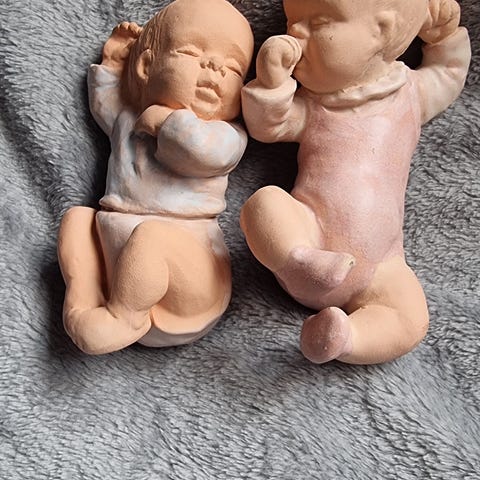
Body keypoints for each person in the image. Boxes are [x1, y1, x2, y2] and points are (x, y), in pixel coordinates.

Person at [240, 0, 471, 364]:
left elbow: (449, 72)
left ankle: (344, 337)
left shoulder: (412, 92)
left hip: (380, 267)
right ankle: (301, 263)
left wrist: (444, 38)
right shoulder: (315, 105)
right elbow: (267, 126)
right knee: (265, 204)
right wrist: (271, 83)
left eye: (319, 22)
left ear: (382, 30)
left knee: (411, 317)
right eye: (292, 21)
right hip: (309, 231)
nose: (295, 34)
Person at [57, 0, 254, 354]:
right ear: (147, 65)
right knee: (77, 219)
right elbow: (105, 104)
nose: (214, 67)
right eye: (192, 52)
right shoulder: (128, 119)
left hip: (189, 280)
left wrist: (166, 122)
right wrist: (113, 64)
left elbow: (198, 150)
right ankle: (85, 301)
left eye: (234, 68)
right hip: (116, 266)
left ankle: (124, 318)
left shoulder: (227, 136)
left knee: (152, 236)